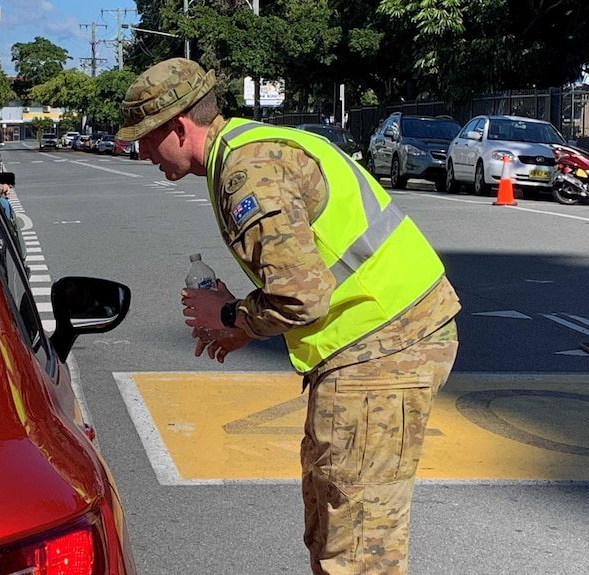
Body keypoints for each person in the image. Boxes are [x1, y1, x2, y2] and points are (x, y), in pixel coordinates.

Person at [117, 58, 461, 575]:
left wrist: (233, 312)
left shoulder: (245, 171)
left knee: (358, 547)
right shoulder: (248, 149)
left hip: (383, 347)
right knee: (330, 517)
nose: (139, 152)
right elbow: (305, 276)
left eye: (144, 138)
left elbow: (302, 296)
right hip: (379, 341)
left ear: (179, 126)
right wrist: (241, 324)